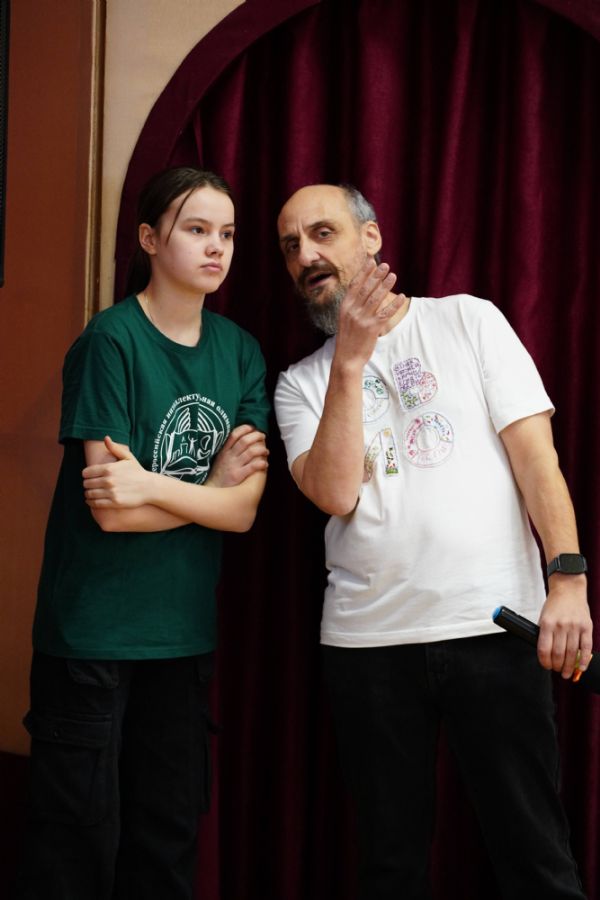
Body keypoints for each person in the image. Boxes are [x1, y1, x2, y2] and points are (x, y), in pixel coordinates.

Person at [274, 183, 592, 900]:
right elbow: (335, 494)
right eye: (291, 246)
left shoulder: (469, 320)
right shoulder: (300, 383)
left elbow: (537, 463)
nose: (306, 256)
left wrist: (568, 579)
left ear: (372, 238)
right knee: (390, 867)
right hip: (367, 644)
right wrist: (349, 360)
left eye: (322, 233)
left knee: (535, 857)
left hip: (496, 628)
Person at [16, 167, 270, 900]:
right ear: (150, 239)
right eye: (197, 229)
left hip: (181, 639)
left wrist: (161, 487)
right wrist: (211, 490)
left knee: (166, 844)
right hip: (92, 636)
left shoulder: (241, 351)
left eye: (227, 233)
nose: (217, 247)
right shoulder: (111, 341)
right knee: (75, 850)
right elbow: (110, 508)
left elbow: (244, 512)